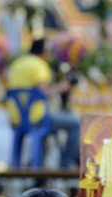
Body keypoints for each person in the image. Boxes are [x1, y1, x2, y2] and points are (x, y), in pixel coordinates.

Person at [7, 38, 80, 168]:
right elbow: (44, 92)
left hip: (16, 120)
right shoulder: (39, 65)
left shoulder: (16, 64)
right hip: (37, 118)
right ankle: (65, 165)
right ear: (44, 53)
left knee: (50, 132)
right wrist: (61, 86)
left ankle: (36, 165)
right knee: (76, 123)